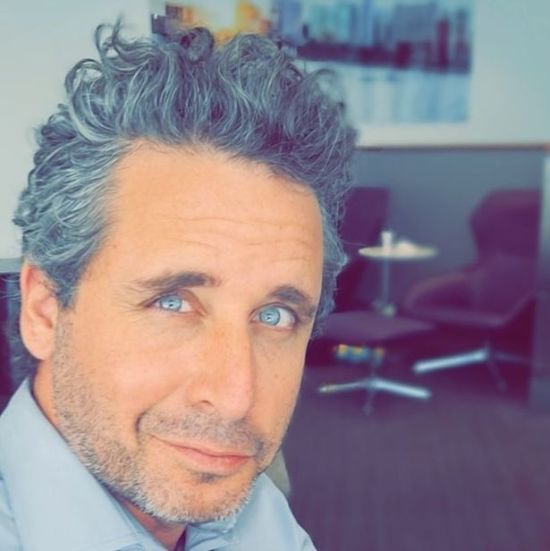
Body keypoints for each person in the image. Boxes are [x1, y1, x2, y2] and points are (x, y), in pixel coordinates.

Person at [0, 21, 355, 551]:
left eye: (275, 315)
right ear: (45, 310)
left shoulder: (258, 512)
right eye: (172, 302)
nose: (236, 399)